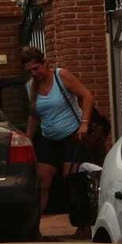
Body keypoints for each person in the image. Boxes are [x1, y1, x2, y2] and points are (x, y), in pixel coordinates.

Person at [21, 46, 94, 225]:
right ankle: (33, 226)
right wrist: (28, 137)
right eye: (30, 71)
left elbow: (86, 96)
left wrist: (84, 124)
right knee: (42, 181)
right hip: (49, 138)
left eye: (36, 68)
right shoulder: (31, 87)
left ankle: (81, 224)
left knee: (72, 180)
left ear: (45, 63)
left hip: (72, 136)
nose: (34, 73)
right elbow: (34, 115)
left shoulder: (61, 76)